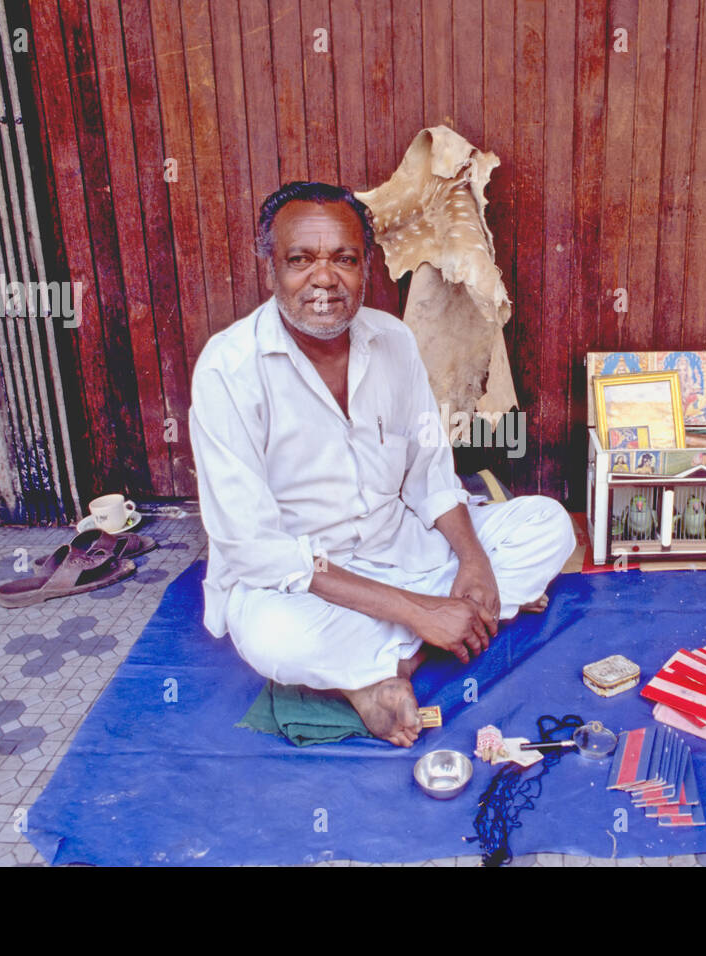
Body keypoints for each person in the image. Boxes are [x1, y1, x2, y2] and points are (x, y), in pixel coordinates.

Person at [188, 182, 576, 747]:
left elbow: (429, 471)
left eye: (344, 259)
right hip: (305, 587)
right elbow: (252, 548)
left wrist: (472, 565)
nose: (324, 279)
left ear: (366, 265)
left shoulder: (393, 341)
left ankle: (391, 666)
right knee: (273, 638)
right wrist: (419, 610)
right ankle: (438, 634)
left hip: (403, 550)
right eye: (301, 260)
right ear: (270, 267)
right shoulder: (228, 370)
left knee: (548, 524)